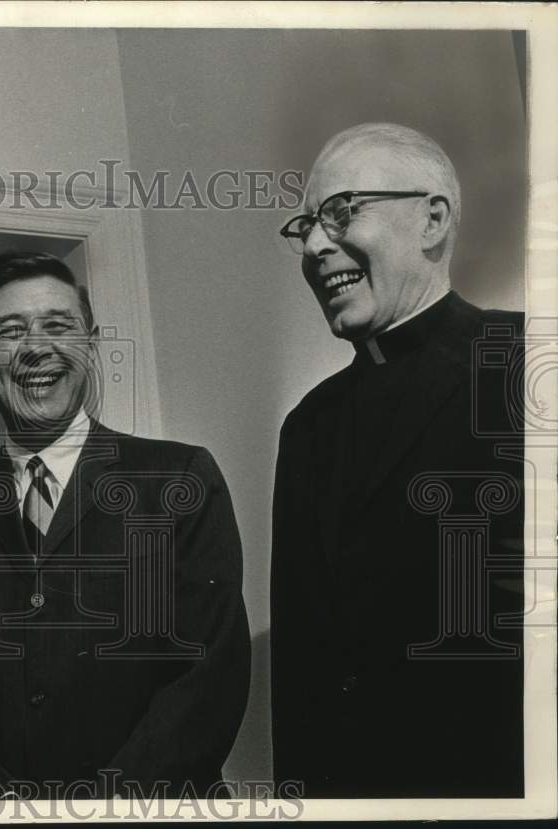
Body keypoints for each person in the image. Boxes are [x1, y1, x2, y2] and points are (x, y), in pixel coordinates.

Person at [0, 251, 251, 798]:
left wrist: (99, 813)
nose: (38, 348)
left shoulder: (179, 479)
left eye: (58, 325)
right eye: (10, 331)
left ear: (90, 342)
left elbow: (207, 681)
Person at [271, 123, 524, 798]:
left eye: (342, 213)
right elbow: (299, 667)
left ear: (433, 219)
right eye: (306, 226)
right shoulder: (307, 427)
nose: (317, 245)